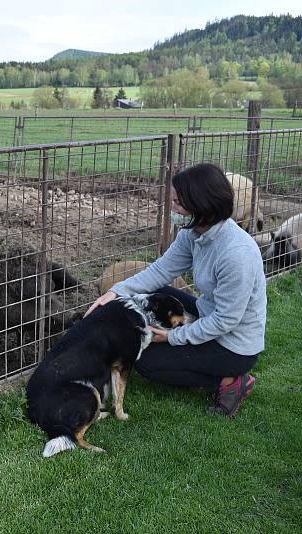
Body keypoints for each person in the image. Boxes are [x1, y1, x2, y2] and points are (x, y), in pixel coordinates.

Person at [85, 163, 266, 417]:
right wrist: (116, 292)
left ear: (202, 205)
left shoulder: (237, 255)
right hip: (208, 313)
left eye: (179, 203)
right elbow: (160, 271)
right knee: (155, 292)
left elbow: (226, 321)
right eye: (173, 200)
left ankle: (231, 381)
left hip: (234, 344)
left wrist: (171, 337)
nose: (173, 208)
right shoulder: (193, 232)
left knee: (147, 362)